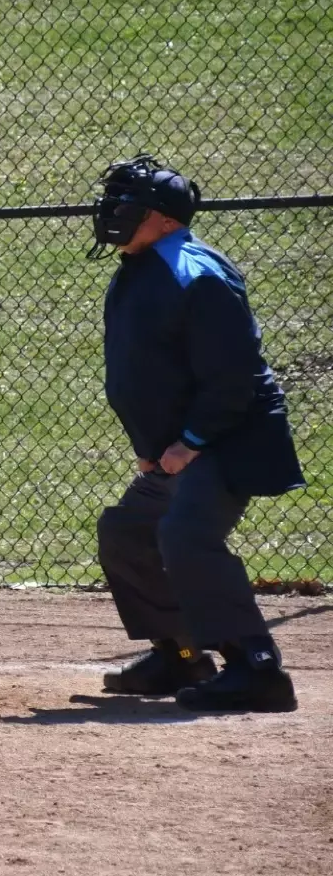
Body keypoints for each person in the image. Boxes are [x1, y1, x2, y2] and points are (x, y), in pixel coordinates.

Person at [91, 154, 304, 713]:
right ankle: (182, 654)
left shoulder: (195, 271)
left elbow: (234, 375)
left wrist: (191, 442)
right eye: (111, 200)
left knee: (186, 535)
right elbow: (147, 370)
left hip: (227, 436)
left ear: (165, 218)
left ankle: (257, 668)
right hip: (180, 446)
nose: (112, 211)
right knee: (126, 532)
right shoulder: (139, 267)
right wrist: (153, 449)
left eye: (127, 204)